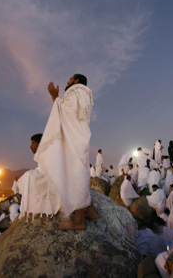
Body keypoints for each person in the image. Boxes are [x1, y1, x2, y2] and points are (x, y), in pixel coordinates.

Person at [32, 74, 98, 230]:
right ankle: (90, 210)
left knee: (75, 175)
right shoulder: (83, 94)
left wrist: (54, 96)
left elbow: (66, 113)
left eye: (69, 79)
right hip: (78, 138)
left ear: (76, 81)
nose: (67, 81)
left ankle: (79, 220)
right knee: (80, 172)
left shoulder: (75, 92)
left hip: (74, 141)